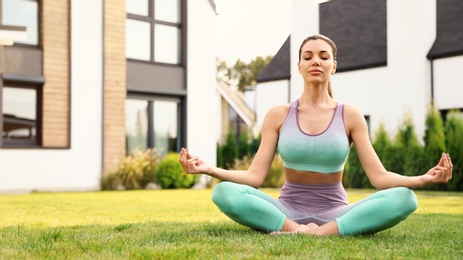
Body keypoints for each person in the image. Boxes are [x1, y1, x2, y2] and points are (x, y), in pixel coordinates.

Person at [179, 34, 453, 236]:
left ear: (334, 65)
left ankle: (321, 233)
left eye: (324, 56)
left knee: (405, 199)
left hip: (336, 212)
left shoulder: (350, 115)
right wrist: (209, 169)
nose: (315, 62)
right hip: (286, 209)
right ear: (298, 66)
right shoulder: (278, 115)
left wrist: (422, 179)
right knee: (224, 193)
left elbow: (379, 178)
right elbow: (254, 177)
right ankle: (292, 228)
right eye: (308, 56)